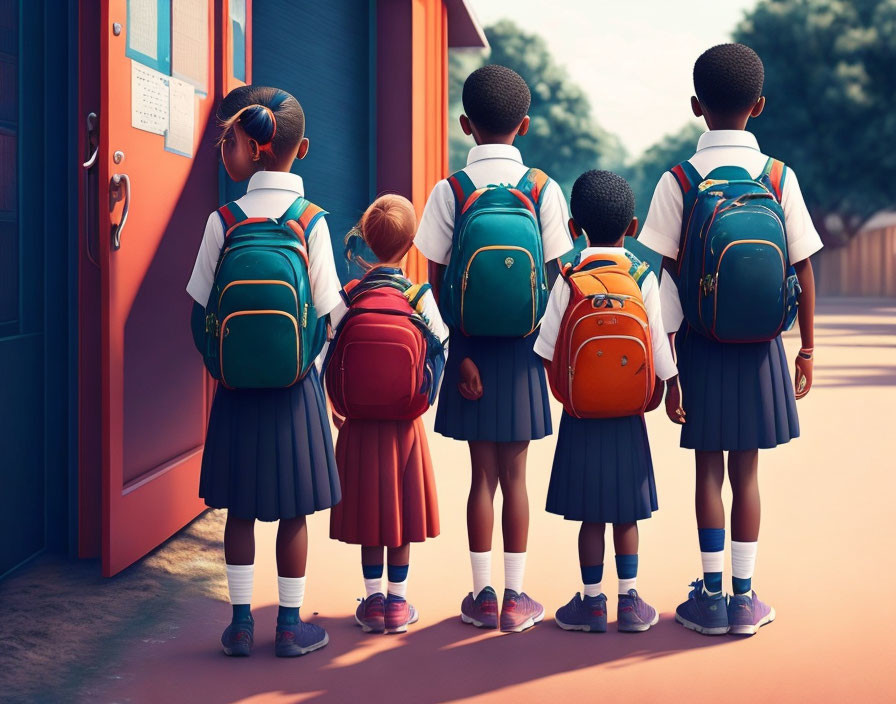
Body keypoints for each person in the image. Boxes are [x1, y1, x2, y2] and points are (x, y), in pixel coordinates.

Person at [639, 43, 822, 635]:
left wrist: (669, 371)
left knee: (708, 473)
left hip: (700, 346)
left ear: (697, 106)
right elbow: (803, 267)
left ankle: (710, 596)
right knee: (748, 475)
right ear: (760, 106)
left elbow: (664, 280)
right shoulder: (779, 176)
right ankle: (746, 599)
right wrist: (808, 349)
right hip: (764, 348)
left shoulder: (679, 180)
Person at [415, 64, 572, 633]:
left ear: (465, 125)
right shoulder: (543, 189)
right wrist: (549, 354)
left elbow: (433, 281)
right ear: (524, 125)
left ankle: (480, 596)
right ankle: (515, 596)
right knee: (517, 478)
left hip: (470, 354)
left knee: (480, 477)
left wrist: (458, 351)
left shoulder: (450, 191)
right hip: (526, 353)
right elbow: (560, 277)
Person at [186, 85, 341, 657]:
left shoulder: (222, 220)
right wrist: (302, 367)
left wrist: (224, 366)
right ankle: (292, 626)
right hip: (294, 391)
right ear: (299, 151)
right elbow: (326, 312)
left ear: (250, 147)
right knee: (293, 511)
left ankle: (241, 625)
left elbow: (200, 312)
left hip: (235, 390)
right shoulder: (312, 221)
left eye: (227, 141)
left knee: (241, 510)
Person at [535, 170, 677, 633]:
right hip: (629, 417)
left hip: (580, 415)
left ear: (574, 228)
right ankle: (630, 603)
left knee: (591, 515)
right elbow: (658, 348)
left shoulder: (569, 279)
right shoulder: (642, 278)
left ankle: (592, 603)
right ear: (633, 227)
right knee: (626, 513)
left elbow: (546, 348)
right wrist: (672, 388)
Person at [327, 195, 448, 635]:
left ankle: (373, 599)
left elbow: (328, 353)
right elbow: (441, 348)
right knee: (400, 514)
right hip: (404, 424)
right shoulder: (419, 297)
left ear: (365, 237)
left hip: (357, 424)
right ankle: (398, 603)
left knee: (367, 515)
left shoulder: (348, 295)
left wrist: (338, 406)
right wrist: (420, 397)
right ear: (411, 244)